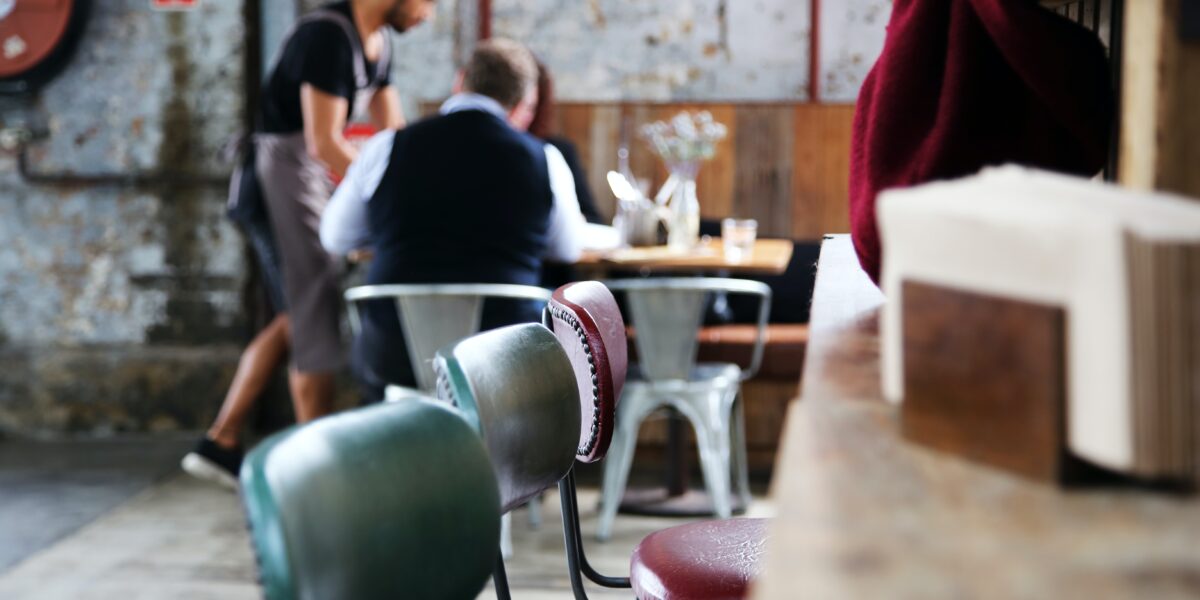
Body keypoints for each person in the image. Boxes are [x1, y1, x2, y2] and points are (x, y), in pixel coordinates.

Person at [182, 0, 436, 489]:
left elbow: (395, 138)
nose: (430, 14)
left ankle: (222, 440)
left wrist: (413, 183)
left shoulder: (378, 46)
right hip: (282, 174)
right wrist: (388, 199)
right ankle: (317, 478)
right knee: (313, 313)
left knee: (296, 314)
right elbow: (323, 142)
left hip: (313, 179)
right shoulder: (327, 37)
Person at [320, 38, 587, 402]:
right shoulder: (546, 160)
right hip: (505, 357)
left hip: (395, 354)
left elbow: (335, 237)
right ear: (524, 105)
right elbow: (568, 247)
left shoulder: (387, 147)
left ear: (459, 82)